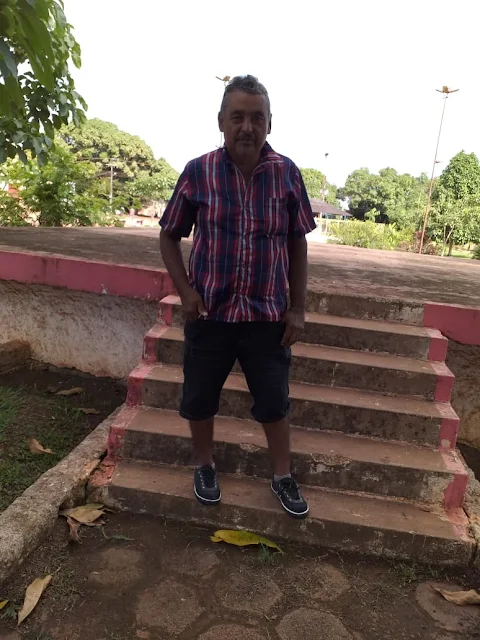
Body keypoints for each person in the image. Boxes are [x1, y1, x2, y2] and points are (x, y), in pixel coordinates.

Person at [159, 75, 315, 519]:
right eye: (238, 117)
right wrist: (186, 292)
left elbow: (297, 243)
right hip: (210, 312)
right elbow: (169, 235)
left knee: (274, 402)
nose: (247, 127)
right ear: (221, 121)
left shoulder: (287, 174)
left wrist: (297, 308)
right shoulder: (198, 172)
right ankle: (204, 466)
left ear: (270, 124)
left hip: (267, 316)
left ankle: (282, 476)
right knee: (200, 397)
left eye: (257, 118)